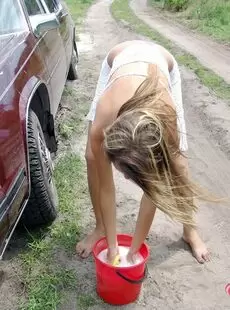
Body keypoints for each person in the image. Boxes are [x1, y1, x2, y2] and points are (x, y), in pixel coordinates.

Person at [76, 40, 210, 264]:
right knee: (92, 156)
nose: (127, 178)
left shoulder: (167, 118)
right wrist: (112, 247)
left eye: (130, 174)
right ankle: (100, 228)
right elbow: (107, 188)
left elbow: (153, 192)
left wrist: (135, 249)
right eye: (126, 171)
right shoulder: (104, 119)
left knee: (179, 166)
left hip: (162, 64)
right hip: (118, 61)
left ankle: (190, 231)